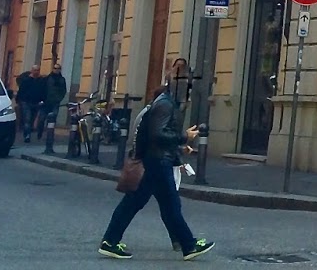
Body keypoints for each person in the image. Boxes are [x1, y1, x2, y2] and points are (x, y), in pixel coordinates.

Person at [97, 58, 214, 261]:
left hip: (155, 161)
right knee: (165, 204)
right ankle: (188, 244)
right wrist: (184, 137)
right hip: (157, 162)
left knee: (140, 203)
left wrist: (178, 145)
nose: (189, 90)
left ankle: (111, 241)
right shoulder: (165, 105)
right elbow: (157, 135)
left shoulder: (167, 103)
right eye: (187, 85)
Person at [38, 63, 68, 141]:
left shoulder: (62, 80)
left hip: (55, 102)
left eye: (58, 68)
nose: (56, 70)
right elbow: (42, 89)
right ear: (53, 69)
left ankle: (49, 136)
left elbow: (63, 91)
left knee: (52, 119)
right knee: (41, 119)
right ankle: (39, 133)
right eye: (55, 68)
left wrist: (59, 98)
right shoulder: (47, 78)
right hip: (45, 102)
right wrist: (41, 99)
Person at [15, 66, 43, 143]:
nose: (36, 72)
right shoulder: (26, 80)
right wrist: (18, 99)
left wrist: (42, 100)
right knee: (27, 119)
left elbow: (43, 91)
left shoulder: (40, 81)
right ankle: (27, 135)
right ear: (32, 71)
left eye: (37, 70)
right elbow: (21, 91)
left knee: (32, 119)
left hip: (36, 102)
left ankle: (28, 132)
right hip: (26, 102)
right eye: (35, 70)